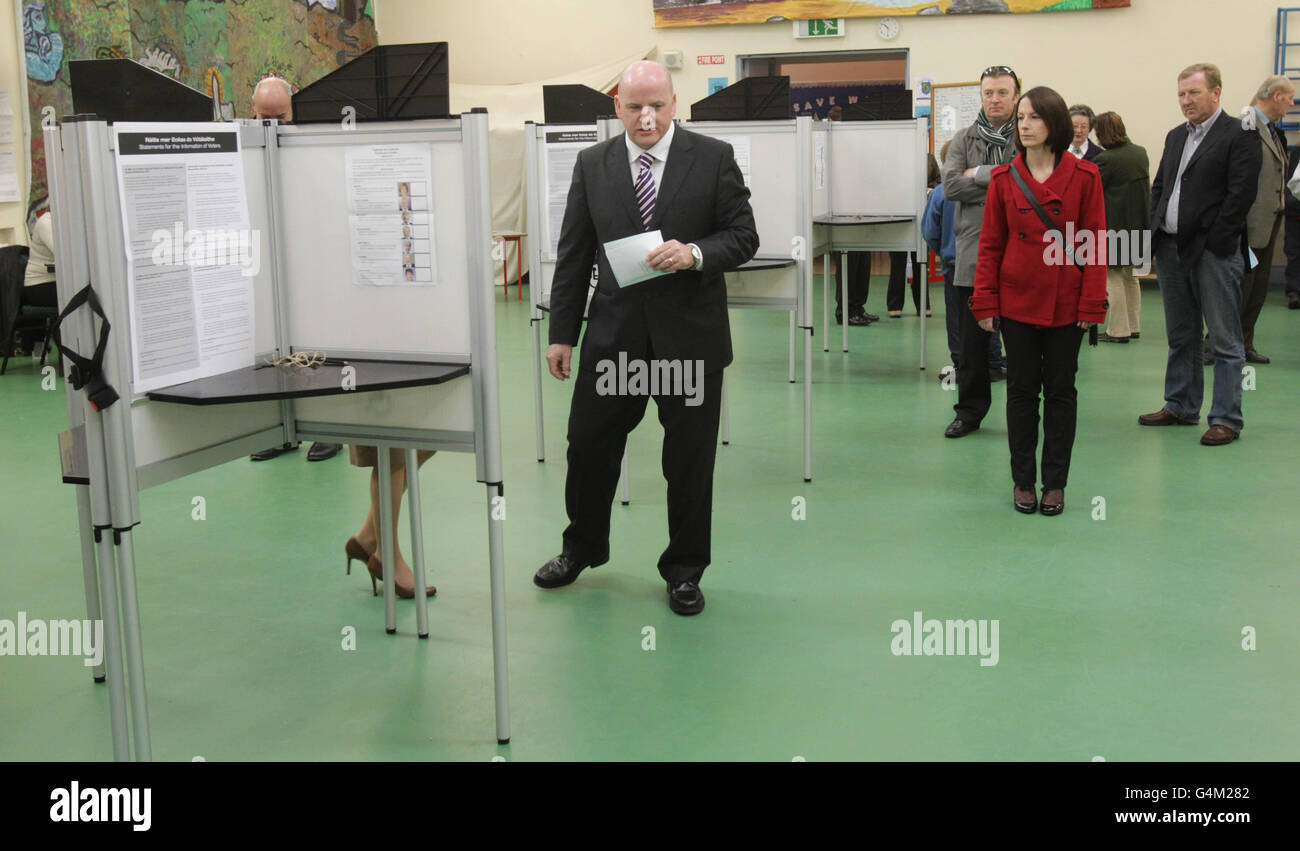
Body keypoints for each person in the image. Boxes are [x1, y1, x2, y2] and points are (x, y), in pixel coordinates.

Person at [535, 60, 758, 615]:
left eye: (657, 105)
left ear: (674, 103)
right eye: (634, 106)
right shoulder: (594, 164)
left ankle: (684, 570)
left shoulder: (712, 158)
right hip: (615, 341)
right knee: (588, 447)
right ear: (617, 107)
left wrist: (695, 253)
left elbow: (744, 235)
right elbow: (574, 254)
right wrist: (563, 333)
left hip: (690, 341)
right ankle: (581, 547)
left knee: (688, 460)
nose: (647, 117)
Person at [970, 86, 1108, 515]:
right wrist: (985, 301)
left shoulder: (1086, 177)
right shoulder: (1003, 179)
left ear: (1055, 125)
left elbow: (1095, 245)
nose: (1024, 125)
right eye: (1021, 117)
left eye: (1034, 117)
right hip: (1016, 303)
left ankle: (1056, 482)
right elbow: (991, 245)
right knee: (1021, 392)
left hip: (1067, 304)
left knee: (1062, 392)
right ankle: (1023, 480)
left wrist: (1091, 305)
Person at [1138, 63, 1260, 446]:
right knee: (1181, 335)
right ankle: (1180, 405)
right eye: (1181, 94)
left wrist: (1218, 241)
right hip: (1172, 249)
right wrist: (1156, 234)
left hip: (1213, 252)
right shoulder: (1176, 136)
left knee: (1224, 339)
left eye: (1193, 93)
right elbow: (1161, 187)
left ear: (1216, 92)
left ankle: (1226, 418)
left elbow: (1241, 194)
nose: (1186, 101)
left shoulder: (1239, 134)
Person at [247, 75, 342, 464]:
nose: (272, 124)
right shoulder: (246, 147)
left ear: (295, 109)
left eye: (280, 116)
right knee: (272, 346)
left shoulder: (316, 143)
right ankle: (280, 428)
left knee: (316, 345)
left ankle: (325, 427)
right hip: (266, 260)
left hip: (315, 260)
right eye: (264, 117)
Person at [941, 64, 1019, 439]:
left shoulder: (1029, 135)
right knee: (972, 347)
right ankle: (969, 413)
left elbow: (1028, 179)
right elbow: (952, 187)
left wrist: (981, 174)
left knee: (1022, 343)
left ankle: (1022, 413)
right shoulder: (962, 138)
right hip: (973, 255)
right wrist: (1004, 176)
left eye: (1003, 92)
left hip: (1021, 253)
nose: (995, 99)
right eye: (989, 93)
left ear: (1016, 96)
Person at [1236, 75, 1295, 364]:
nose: (1292, 103)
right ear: (1275, 96)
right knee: (1241, 287)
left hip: (1270, 220)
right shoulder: (1246, 125)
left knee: (1258, 289)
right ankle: (1218, 344)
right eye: (1289, 97)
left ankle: (1245, 343)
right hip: (1248, 222)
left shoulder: (1272, 130)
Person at [1092, 111, 1150, 343]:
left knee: (1111, 276)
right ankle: (1133, 325)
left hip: (1114, 226)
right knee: (1130, 276)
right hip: (1138, 225)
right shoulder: (1140, 153)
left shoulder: (1106, 160)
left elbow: (1092, 190)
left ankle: (1118, 330)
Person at [828, 106, 877, 326]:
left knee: (862, 264)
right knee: (847, 266)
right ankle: (845, 311)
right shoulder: (831, 153)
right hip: (842, 218)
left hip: (860, 213)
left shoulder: (855, 153)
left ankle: (858, 306)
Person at [886, 156, 939, 318]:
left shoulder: (929, 158)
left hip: (922, 215)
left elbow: (938, 182)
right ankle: (894, 306)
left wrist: (929, 189)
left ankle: (923, 305)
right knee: (897, 263)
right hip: (899, 216)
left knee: (921, 263)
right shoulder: (895, 160)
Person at [923, 141, 960, 368]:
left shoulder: (941, 192)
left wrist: (944, 251)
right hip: (986, 264)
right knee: (988, 313)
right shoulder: (990, 186)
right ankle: (993, 362)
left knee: (956, 318)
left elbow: (929, 231)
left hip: (953, 263)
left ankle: (960, 365)